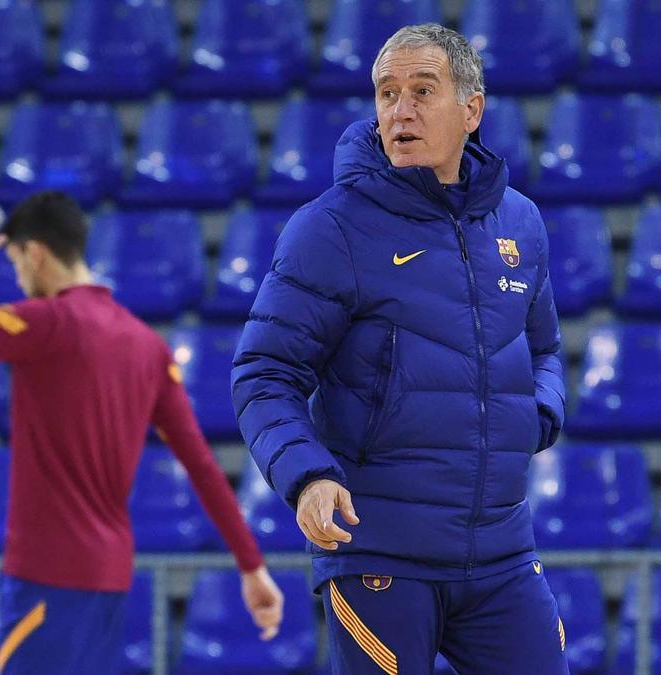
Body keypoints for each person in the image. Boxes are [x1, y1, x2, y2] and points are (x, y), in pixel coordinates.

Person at [232, 23, 567, 675]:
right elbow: (264, 372)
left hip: (501, 553)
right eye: (387, 93)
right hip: (381, 554)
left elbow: (545, 349)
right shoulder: (331, 229)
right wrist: (307, 475)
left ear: (472, 110)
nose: (400, 109)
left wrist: (539, 413)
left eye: (421, 90)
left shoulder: (519, 223)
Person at [0, 191, 283, 674]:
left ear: (35, 252)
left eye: (15, 263)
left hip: (45, 577)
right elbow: (202, 465)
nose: (17, 278)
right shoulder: (147, 346)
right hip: (109, 582)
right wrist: (252, 566)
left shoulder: (41, 322)